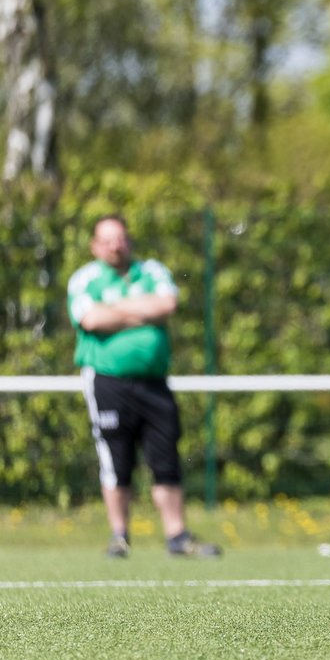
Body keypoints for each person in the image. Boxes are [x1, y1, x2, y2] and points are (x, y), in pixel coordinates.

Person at [67, 215, 220, 559]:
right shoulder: (85, 278)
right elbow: (90, 319)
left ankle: (177, 537)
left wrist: (115, 312)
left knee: (166, 459)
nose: (115, 245)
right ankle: (119, 536)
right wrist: (140, 312)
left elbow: (167, 304)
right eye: (107, 240)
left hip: (154, 382)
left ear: (129, 240)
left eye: (120, 238)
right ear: (95, 245)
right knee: (117, 461)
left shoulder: (152, 270)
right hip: (107, 382)